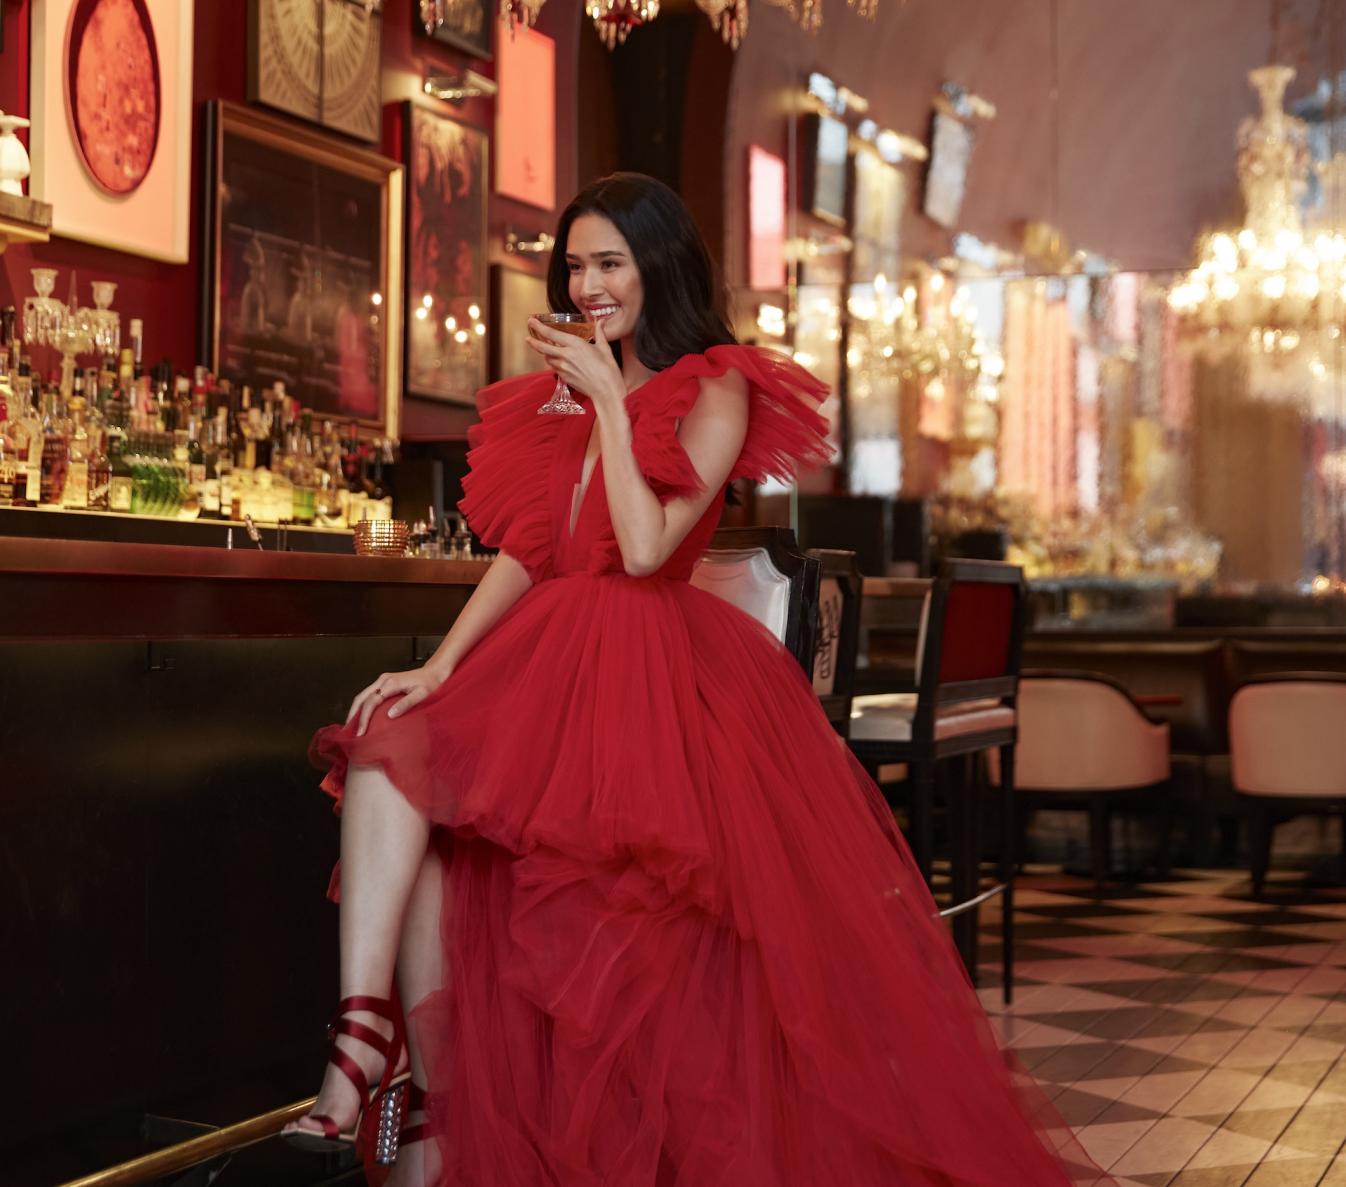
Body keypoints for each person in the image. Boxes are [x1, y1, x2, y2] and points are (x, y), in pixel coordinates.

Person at [285, 172, 1115, 1187]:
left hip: (649, 663)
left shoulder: (714, 385)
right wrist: (440, 662)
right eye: (574, 265)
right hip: (544, 651)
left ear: (656, 265)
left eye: (609, 263)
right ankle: (370, 1045)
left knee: (585, 899)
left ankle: (439, 1112)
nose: (587, 285)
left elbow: (640, 548)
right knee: (386, 759)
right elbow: (531, 548)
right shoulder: (565, 384)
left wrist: (605, 404)